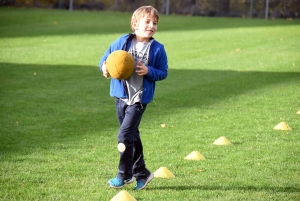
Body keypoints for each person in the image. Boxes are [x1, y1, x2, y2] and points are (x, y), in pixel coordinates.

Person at [99, 5, 168, 190]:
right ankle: (142, 173)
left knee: (124, 136)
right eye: (147, 21)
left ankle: (124, 175)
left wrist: (148, 71)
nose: (151, 25)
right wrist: (105, 68)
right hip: (121, 98)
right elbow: (105, 59)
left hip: (138, 100)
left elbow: (163, 72)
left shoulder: (157, 49)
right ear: (135, 24)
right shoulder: (122, 42)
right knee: (132, 136)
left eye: (155, 23)